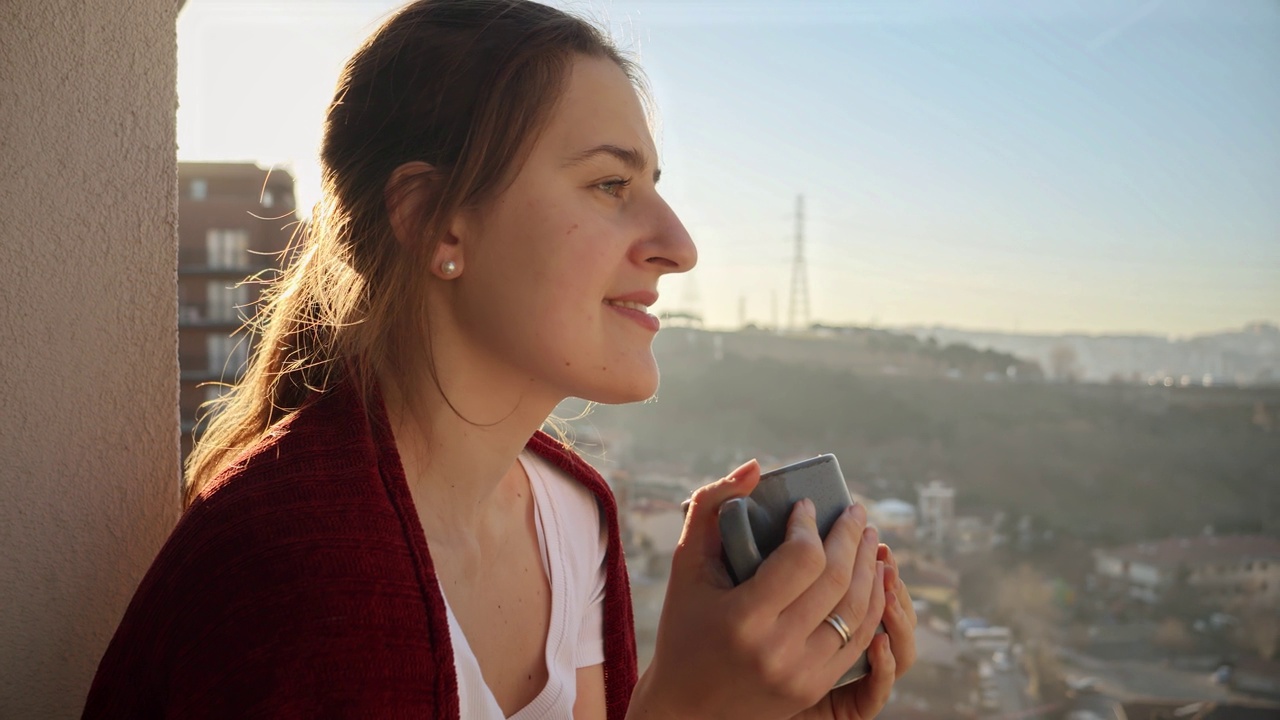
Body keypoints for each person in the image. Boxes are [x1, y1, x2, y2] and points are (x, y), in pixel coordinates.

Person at [83, 1, 917, 718]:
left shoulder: (571, 514)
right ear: (438, 223)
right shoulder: (300, 574)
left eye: (654, 185)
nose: (680, 246)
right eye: (608, 185)